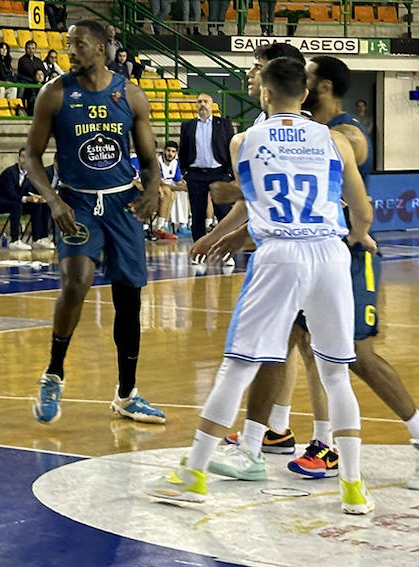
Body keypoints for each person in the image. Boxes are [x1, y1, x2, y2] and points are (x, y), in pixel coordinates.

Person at [150, 56, 375, 515]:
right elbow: (364, 212)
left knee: (238, 366)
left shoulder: (241, 141)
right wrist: (353, 235)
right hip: (330, 254)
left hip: (280, 254)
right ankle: (353, 487)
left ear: (265, 94)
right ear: (306, 94)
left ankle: (193, 474)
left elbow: (255, 205)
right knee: (335, 374)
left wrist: (223, 235)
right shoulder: (337, 141)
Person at [196, 54, 419, 491]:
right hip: (313, 248)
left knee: (354, 356)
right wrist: (230, 232)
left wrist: (239, 204)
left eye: (312, 75)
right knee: (287, 344)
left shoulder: (344, 135)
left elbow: (303, 195)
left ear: (323, 87)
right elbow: (269, 197)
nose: (308, 81)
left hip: (343, 250)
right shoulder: (303, 134)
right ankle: (268, 435)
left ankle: (349, 439)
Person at [25, 20, 164, 426]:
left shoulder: (130, 94)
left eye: (79, 44)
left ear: (102, 47)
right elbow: (30, 156)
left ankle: (127, 394)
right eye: (69, 44)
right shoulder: (54, 93)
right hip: (76, 203)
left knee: (129, 299)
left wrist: (153, 189)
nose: (71, 51)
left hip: (122, 204)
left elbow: (151, 159)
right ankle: (54, 373)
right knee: (75, 283)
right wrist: (52, 200)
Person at [178, 93, 236, 248]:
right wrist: (184, 171)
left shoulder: (223, 124)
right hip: (195, 174)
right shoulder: (188, 126)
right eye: (199, 102)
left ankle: (226, 249)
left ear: (212, 105)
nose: (202, 104)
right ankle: (198, 248)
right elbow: (182, 150)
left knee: (223, 212)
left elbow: (232, 147)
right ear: (196, 105)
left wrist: (230, 172)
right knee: (197, 214)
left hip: (219, 172)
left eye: (205, 101)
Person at [0, 147, 53, 251]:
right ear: (18, 158)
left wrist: (38, 197)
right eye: (23, 157)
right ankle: (14, 240)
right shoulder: (10, 172)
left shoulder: (29, 174)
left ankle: (37, 239)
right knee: (16, 205)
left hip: (13, 201)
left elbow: (29, 190)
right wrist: (27, 199)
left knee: (38, 205)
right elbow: (10, 194)